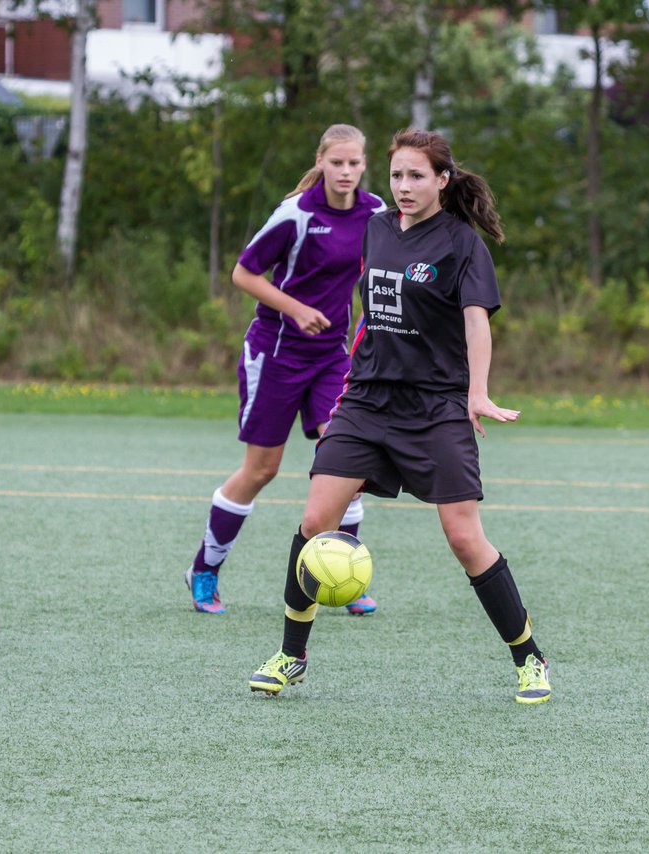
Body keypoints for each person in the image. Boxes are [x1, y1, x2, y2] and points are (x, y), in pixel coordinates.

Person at [249, 129, 551, 704]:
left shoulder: (463, 244)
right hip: (365, 400)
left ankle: (529, 658)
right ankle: (291, 656)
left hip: (436, 407)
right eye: (396, 176)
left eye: (417, 176)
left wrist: (478, 392)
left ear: (443, 180)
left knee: (464, 537)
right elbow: (325, 203)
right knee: (315, 522)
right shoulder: (376, 226)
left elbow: (476, 321)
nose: (404, 186)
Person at [185, 124, 385, 616]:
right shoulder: (296, 213)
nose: (345, 171)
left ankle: (344, 575)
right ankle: (205, 569)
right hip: (275, 352)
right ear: (320, 161)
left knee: (347, 464)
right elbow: (243, 273)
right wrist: (295, 309)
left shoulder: (376, 212)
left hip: (333, 356)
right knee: (262, 470)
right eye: (336, 162)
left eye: (354, 163)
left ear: (364, 165)